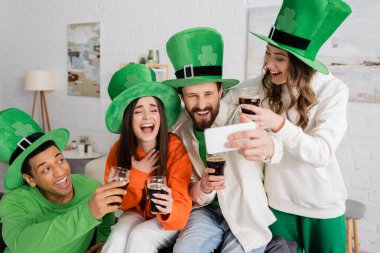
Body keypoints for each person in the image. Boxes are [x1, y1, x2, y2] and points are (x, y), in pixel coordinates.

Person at [224, 0, 352, 252]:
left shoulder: (333, 89)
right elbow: (221, 97)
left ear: (301, 62)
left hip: (321, 206)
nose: (269, 65)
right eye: (268, 54)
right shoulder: (263, 85)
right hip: (276, 204)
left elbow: (322, 153)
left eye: (279, 58)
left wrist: (279, 125)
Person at [164, 27, 284, 253]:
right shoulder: (178, 130)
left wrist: (270, 147)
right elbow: (188, 190)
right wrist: (204, 186)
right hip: (204, 212)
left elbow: (275, 146)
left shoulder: (241, 115)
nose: (200, 104)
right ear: (182, 97)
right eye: (192, 96)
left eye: (208, 94)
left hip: (245, 214)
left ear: (220, 91)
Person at [0, 108, 122, 253]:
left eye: (60, 160)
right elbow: (22, 244)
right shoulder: (14, 202)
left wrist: (103, 239)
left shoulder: (90, 187)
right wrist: (88, 213)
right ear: (30, 179)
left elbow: (107, 214)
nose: (60, 172)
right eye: (45, 169)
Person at [100, 64, 193, 253]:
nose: (147, 116)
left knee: (140, 236)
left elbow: (181, 212)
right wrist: (138, 174)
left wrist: (169, 208)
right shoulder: (119, 150)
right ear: (128, 119)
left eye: (153, 109)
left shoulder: (175, 150)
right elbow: (118, 204)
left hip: (167, 219)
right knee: (117, 236)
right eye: (137, 111)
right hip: (135, 213)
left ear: (161, 114)